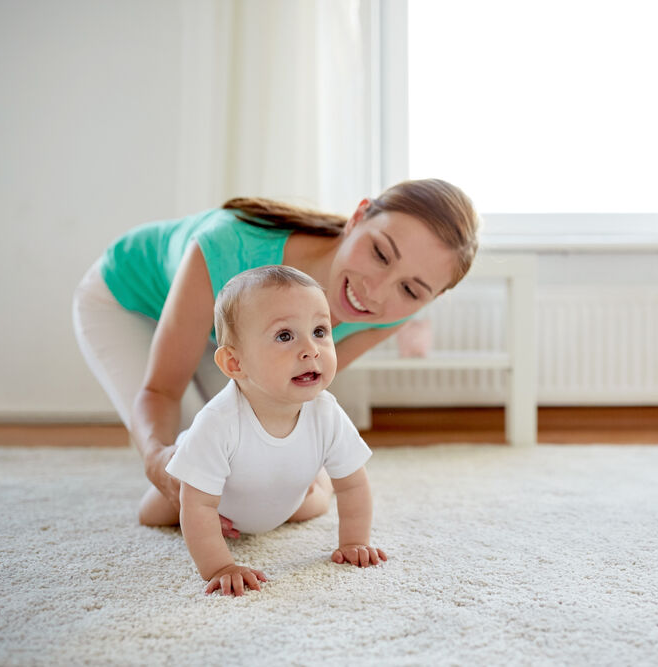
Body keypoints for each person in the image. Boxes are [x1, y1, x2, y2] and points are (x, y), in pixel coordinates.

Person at [73, 179, 479, 536]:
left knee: (251, 460)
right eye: (380, 253)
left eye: (411, 290)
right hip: (129, 302)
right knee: (191, 463)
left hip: (231, 338)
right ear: (357, 217)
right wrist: (157, 461)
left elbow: (300, 394)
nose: (375, 292)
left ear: (431, 298)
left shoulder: (393, 313)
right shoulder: (227, 246)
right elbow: (160, 389)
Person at [141, 265, 386, 596]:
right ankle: (179, 475)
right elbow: (199, 507)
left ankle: (315, 478)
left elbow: (354, 485)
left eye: (319, 331)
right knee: (154, 514)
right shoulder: (218, 422)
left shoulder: (326, 411)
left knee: (315, 504)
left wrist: (355, 541)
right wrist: (221, 566)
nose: (311, 349)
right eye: (285, 336)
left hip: (283, 495)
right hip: (216, 497)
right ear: (235, 364)